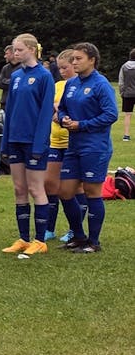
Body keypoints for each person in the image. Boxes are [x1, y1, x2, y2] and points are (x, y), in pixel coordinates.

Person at [57, 42, 118, 253]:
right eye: (72, 59)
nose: (74, 62)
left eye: (78, 59)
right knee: (65, 191)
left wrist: (81, 125)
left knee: (92, 192)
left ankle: (94, 242)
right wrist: (64, 117)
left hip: (95, 146)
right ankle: (78, 236)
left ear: (91, 60)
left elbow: (111, 114)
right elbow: (63, 107)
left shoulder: (101, 84)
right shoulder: (72, 84)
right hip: (73, 145)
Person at [0, 34, 55, 256]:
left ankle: (40, 240)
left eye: (19, 49)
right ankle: (23, 239)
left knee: (35, 188)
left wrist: (39, 143)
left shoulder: (44, 76)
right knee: (19, 189)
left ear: (32, 49)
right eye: (14, 50)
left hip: (34, 142)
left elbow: (45, 113)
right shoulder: (15, 76)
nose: (15, 53)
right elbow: (10, 110)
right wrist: (5, 141)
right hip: (15, 140)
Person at [44, 50, 79, 241]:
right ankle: (49, 229)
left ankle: (75, 229)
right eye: (59, 68)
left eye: (65, 67)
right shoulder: (57, 85)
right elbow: (50, 107)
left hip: (73, 142)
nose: (62, 71)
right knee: (50, 184)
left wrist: (62, 111)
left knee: (74, 187)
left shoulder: (79, 85)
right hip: (55, 142)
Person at [0, 45, 18, 113]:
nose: (5, 56)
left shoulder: (22, 68)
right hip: (4, 104)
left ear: (13, 54)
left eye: (7, 54)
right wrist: (12, 81)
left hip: (15, 104)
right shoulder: (5, 68)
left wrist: (5, 81)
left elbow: (19, 83)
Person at [118, 48, 135, 142]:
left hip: (127, 94)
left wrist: (122, 92)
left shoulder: (124, 66)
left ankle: (126, 135)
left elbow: (121, 81)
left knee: (128, 115)